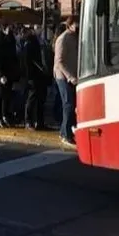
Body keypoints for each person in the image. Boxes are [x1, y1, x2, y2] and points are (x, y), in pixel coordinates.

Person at [53, 16, 79, 146]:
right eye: (75, 24)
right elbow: (59, 62)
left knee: (72, 104)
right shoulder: (62, 39)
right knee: (68, 104)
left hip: (73, 76)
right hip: (63, 77)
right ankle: (65, 133)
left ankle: (68, 130)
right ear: (69, 25)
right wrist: (70, 77)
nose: (77, 26)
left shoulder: (74, 37)